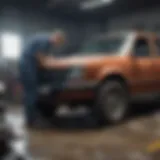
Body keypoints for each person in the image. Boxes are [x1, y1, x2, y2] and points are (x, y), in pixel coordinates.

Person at [19, 30, 68, 128]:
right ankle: (31, 121)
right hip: (28, 65)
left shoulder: (45, 40)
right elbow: (40, 56)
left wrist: (49, 59)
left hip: (29, 65)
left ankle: (32, 117)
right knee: (31, 92)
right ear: (57, 38)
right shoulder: (45, 41)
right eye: (58, 43)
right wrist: (48, 64)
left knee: (32, 92)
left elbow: (44, 55)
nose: (57, 45)